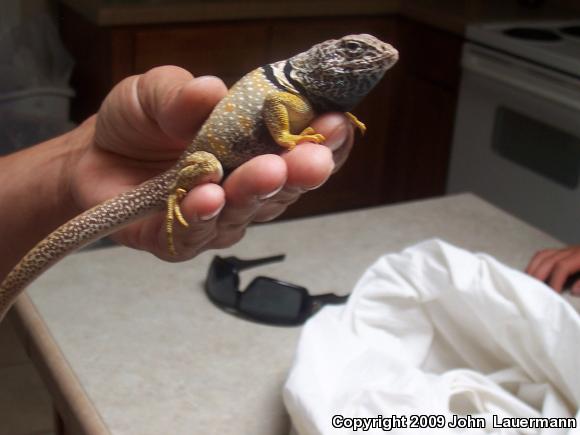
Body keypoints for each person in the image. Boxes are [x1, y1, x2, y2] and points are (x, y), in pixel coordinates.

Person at [0, 66, 355, 281]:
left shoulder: (305, 93)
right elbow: (278, 107)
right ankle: (177, 196)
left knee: (245, 180)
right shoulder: (291, 89)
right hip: (200, 167)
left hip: (205, 167)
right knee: (212, 175)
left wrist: (75, 161)